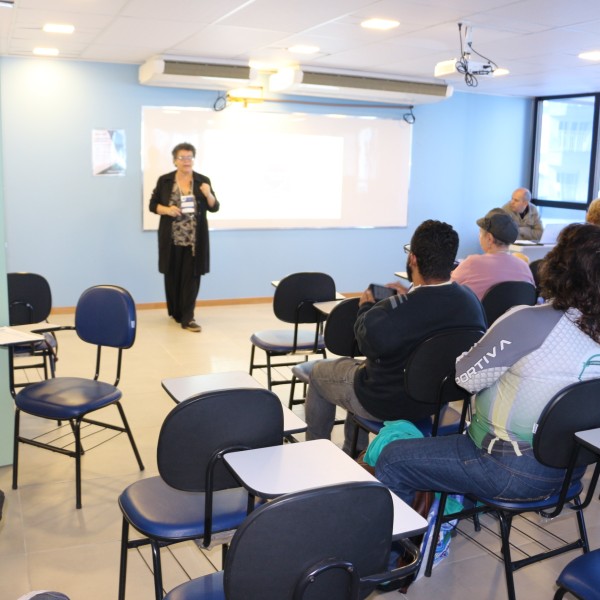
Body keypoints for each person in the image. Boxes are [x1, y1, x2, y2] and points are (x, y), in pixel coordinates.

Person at [375, 223, 600, 507]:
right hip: (571, 471)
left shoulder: (526, 321)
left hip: (505, 468)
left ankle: (401, 551)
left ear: (557, 267)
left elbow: (466, 378)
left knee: (392, 459)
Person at [304, 220, 487, 455]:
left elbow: (365, 343)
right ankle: (353, 453)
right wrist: (408, 295)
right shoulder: (470, 301)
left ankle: (315, 455)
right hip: (438, 402)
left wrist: (366, 308)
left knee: (319, 373)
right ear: (452, 262)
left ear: (413, 259)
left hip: (384, 402)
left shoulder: (393, 310)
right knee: (357, 371)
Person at [149, 142, 219, 332]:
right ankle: (177, 312)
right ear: (175, 160)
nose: (186, 161)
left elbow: (214, 206)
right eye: (182, 157)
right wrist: (167, 209)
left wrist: (208, 193)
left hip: (194, 241)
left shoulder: (202, 181)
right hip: (171, 239)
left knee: (191, 278)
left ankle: (188, 318)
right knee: (172, 277)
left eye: (190, 157)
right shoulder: (164, 181)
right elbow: (152, 205)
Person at [451, 208, 535, 300]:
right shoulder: (524, 266)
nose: (479, 237)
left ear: (489, 238)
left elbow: (448, 286)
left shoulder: (472, 263)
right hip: (516, 315)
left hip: (481, 314)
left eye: (480, 233)